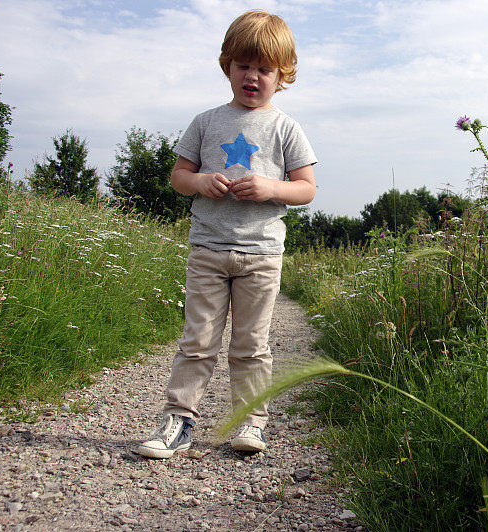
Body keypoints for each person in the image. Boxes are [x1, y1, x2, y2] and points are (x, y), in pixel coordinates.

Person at [137, 9, 316, 458]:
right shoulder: (205, 121)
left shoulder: (286, 128)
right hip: (208, 250)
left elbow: (306, 188)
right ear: (226, 66)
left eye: (264, 69)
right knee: (197, 341)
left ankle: (251, 423)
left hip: (260, 254)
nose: (252, 76)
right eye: (243, 65)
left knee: (251, 345)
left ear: (283, 75)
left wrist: (270, 187)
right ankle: (178, 421)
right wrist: (199, 182)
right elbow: (179, 175)